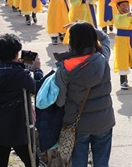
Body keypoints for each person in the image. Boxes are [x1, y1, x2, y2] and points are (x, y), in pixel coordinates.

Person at [0, 33, 43, 167]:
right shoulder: (20, 75)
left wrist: (18, 64)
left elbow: (5, 74)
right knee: (31, 159)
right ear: (17, 53)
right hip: (17, 125)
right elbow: (37, 88)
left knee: (0, 159)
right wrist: (37, 70)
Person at [55, 22, 114, 167]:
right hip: (103, 120)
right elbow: (105, 38)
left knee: (78, 162)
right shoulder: (101, 58)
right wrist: (87, 28)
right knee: (101, 162)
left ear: (73, 40)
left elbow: (60, 101)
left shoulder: (65, 66)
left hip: (77, 122)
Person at [110, 0, 132, 90]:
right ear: (118, 7)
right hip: (121, 39)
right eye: (122, 5)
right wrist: (127, 16)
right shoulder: (118, 16)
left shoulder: (131, 15)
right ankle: (123, 81)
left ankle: (131, 65)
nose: (125, 7)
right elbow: (120, 21)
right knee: (123, 60)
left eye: (127, 5)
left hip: (131, 37)